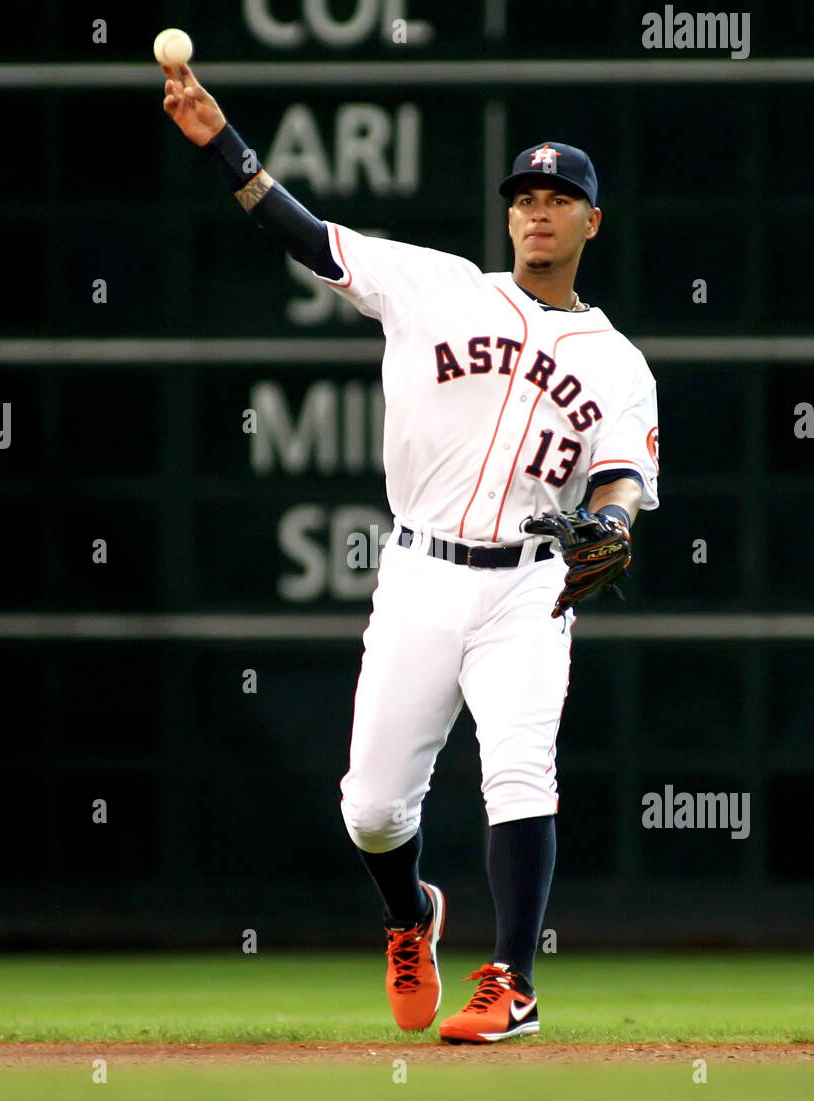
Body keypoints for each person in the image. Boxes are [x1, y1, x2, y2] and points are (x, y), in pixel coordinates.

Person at [162, 66, 659, 1045]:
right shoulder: (433, 285)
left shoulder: (615, 361)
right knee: (373, 809)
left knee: (521, 773)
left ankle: (512, 981)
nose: (538, 213)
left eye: (559, 199)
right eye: (524, 198)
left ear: (591, 222)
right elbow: (304, 235)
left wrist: (614, 521)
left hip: (526, 584)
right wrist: (228, 146)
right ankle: (408, 915)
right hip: (422, 574)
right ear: (507, 216)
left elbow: (620, 479)